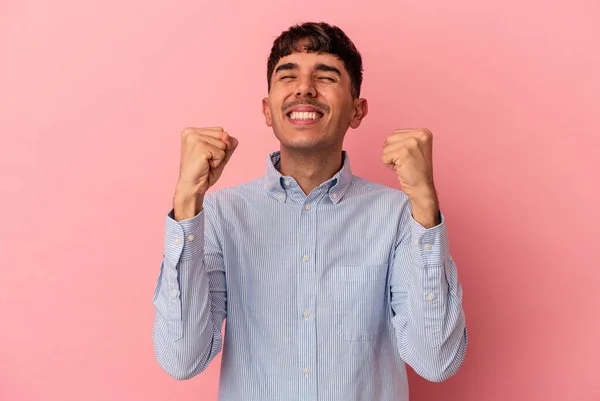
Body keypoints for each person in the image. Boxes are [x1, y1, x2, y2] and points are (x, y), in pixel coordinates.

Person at [152, 21, 468, 401]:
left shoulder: (401, 216)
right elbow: (181, 359)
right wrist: (187, 201)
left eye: (326, 75)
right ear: (267, 110)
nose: (304, 88)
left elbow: (437, 361)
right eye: (288, 75)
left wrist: (424, 201)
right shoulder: (220, 214)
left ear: (357, 110)